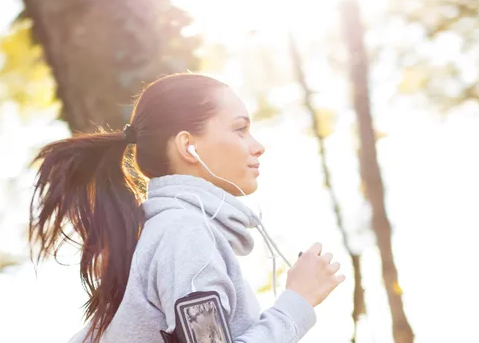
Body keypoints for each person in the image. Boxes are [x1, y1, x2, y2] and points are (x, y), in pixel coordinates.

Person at [30, 73, 345, 343]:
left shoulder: (169, 232)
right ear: (188, 147)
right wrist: (297, 302)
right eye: (239, 129)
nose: (257, 145)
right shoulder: (184, 233)